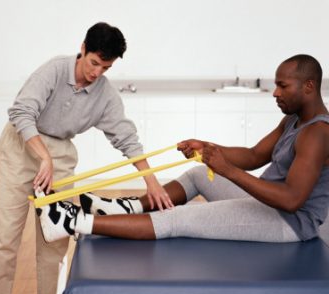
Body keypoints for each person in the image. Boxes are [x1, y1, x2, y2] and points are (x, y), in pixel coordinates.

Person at [36, 54, 329, 244]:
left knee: (177, 219)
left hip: (288, 223)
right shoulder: (293, 119)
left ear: (308, 87)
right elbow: (253, 156)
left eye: (283, 86)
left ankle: (71, 221)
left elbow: (291, 200)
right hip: (270, 205)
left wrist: (226, 169)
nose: (275, 92)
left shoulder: (318, 134)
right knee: (199, 174)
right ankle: (126, 207)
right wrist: (209, 149)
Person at [0, 22, 172, 294]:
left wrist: (151, 181)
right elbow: (21, 111)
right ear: (82, 49)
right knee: (4, 241)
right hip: (21, 147)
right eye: (94, 62)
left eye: (105, 68)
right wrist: (42, 155)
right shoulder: (54, 70)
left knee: (54, 240)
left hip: (58, 154)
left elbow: (126, 138)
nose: (97, 73)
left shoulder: (105, 95)